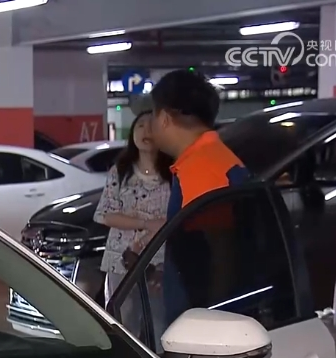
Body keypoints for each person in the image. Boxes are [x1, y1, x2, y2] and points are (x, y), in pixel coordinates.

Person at [146, 69, 250, 325]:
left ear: (164, 119)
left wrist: (211, 323)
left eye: (153, 114)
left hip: (201, 326)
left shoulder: (201, 168)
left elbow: (221, 254)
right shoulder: (210, 157)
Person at [93, 110, 172, 340]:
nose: (146, 131)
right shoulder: (120, 172)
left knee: (159, 319)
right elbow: (104, 214)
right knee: (123, 320)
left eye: (151, 126)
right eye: (140, 126)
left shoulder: (173, 172)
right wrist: (145, 223)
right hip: (121, 259)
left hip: (160, 260)